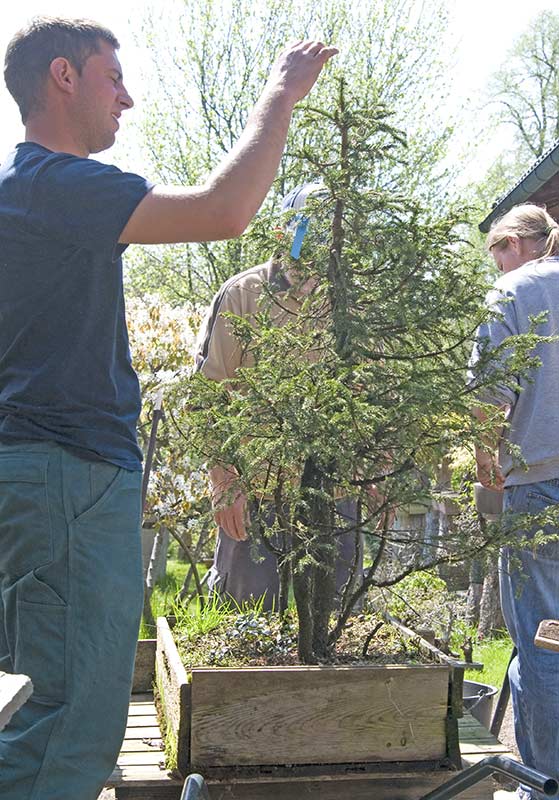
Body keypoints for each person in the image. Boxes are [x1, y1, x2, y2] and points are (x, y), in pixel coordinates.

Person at [0, 16, 336, 800]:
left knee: (51, 702)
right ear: (63, 77)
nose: (128, 98)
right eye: (113, 78)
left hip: (52, 475)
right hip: (69, 475)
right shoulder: (54, 185)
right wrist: (280, 95)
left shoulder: (29, 198)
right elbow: (223, 210)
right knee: (67, 724)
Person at [194, 183, 362, 610]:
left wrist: (376, 469)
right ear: (283, 230)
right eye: (310, 227)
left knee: (337, 623)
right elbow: (206, 394)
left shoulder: (350, 303)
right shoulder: (243, 294)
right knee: (244, 621)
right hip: (254, 491)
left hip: (333, 492)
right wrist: (223, 479)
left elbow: (366, 392)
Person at [469, 203, 559, 799]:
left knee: (546, 638)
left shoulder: (515, 292)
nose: (497, 265)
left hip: (541, 485)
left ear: (517, 243)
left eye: (497, 251)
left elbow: (489, 393)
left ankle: (546, 784)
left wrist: (485, 459)